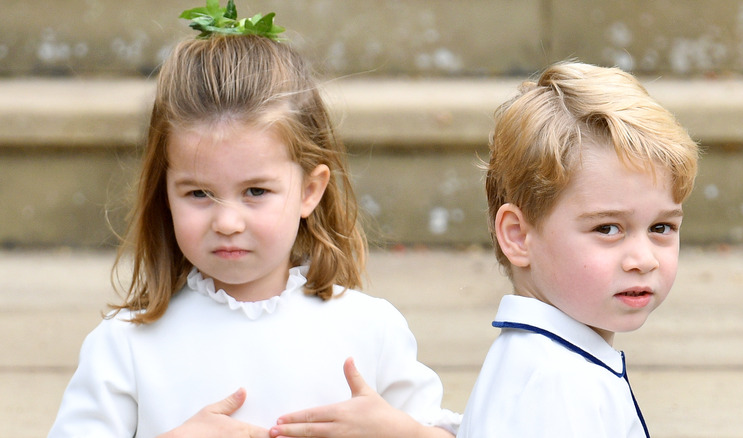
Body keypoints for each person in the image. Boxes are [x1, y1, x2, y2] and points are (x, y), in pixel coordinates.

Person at [48, 2, 459, 437]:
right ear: (164, 193)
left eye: (255, 192)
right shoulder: (125, 347)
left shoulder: (370, 328)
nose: (227, 221)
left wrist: (401, 433)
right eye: (199, 193)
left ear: (309, 191)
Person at [457, 61, 699, 437]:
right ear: (519, 236)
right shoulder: (561, 383)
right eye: (607, 228)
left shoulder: (542, 360)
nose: (644, 259)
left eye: (661, 227)